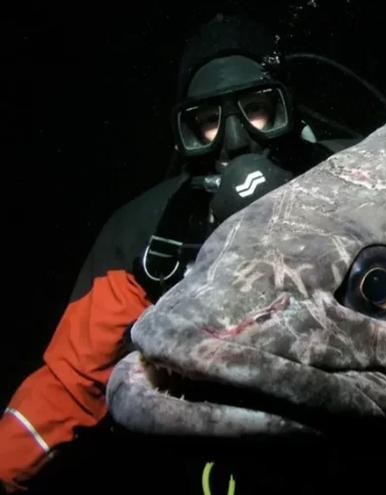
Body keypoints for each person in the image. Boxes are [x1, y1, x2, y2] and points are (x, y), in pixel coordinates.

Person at [0, 14, 340, 492]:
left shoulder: (358, 170)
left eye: (258, 109)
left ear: (287, 107)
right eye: (207, 123)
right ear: (185, 133)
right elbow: (67, 384)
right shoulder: (145, 235)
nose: (236, 140)